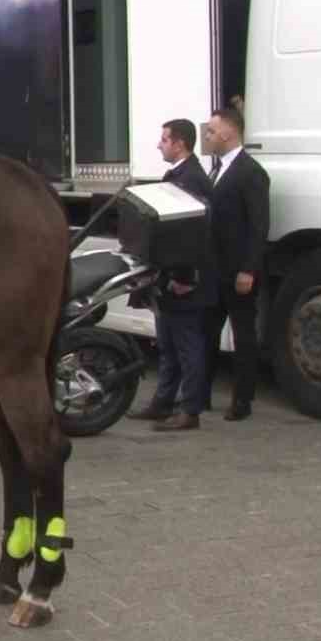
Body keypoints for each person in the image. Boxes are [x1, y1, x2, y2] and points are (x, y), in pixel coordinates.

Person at [128, 120, 217, 432]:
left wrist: (184, 277)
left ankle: (190, 411)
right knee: (167, 344)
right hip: (173, 280)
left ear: (179, 143)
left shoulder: (190, 178)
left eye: (164, 139)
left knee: (188, 347)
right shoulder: (180, 174)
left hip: (185, 283)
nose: (158, 145)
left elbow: (190, 236)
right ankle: (163, 403)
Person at [202, 106, 271, 421]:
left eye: (212, 131)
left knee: (243, 336)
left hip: (237, 271)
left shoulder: (251, 172)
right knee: (206, 333)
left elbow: (259, 226)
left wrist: (248, 269)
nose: (208, 136)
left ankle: (242, 400)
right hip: (214, 269)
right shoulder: (216, 170)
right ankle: (200, 396)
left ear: (228, 132)